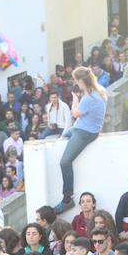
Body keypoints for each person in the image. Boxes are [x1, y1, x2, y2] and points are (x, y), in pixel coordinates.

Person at [55, 67, 107, 213]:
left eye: (77, 81)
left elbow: (75, 113)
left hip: (84, 132)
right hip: (87, 129)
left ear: (81, 81)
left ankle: (67, 198)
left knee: (64, 162)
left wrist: (75, 100)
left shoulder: (89, 98)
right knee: (64, 135)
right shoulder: (100, 91)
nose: (76, 84)